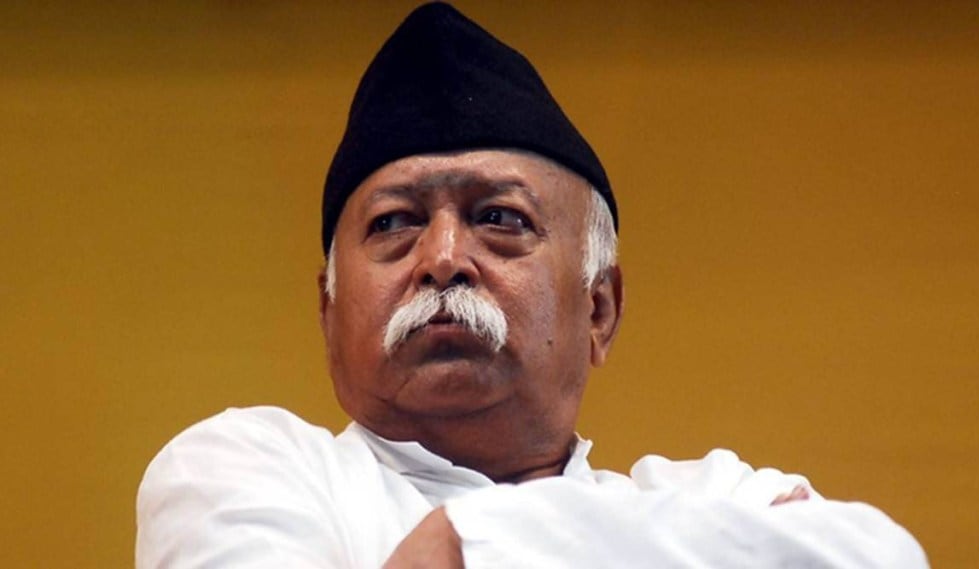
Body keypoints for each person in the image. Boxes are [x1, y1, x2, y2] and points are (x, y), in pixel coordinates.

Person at [136, 3, 928, 567]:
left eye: (499, 218)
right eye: (393, 223)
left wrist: (470, 543)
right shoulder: (244, 467)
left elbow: (878, 555)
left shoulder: (721, 490)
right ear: (328, 310)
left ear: (599, 308)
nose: (443, 256)